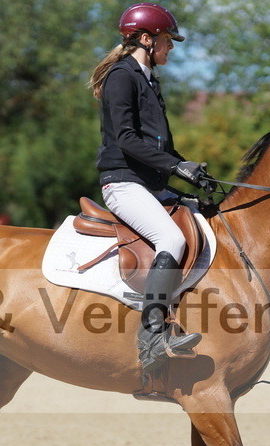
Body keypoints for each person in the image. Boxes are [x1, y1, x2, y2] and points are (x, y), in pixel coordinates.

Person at [89, 3, 216, 373]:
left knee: (202, 218)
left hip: (150, 184)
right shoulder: (121, 77)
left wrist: (191, 172)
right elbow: (127, 139)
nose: (171, 48)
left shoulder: (148, 80)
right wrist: (176, 166)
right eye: (167, 41)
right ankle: (152, 338)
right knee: (171, 241)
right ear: (146, 39)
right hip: (123, 182)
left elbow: (162, 148)